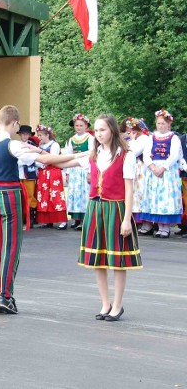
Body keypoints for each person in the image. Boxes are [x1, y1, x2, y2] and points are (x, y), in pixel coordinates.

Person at [0, 105, 82, 314]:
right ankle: (5, 296)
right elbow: (45, 160)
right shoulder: (13, 145)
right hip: (9, 195)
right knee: (10, 248)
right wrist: (82, 157)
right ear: (15, 123)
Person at [57, 114, 142, 321]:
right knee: (99, 259)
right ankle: (105, 303)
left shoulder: (126, 155)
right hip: (96, 208)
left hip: (116, 209)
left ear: (112, 130)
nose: (99, 134)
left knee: (117, 260)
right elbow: (62, 163)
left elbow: (129, 191)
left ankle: (118, 305)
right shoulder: (93, 155)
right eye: (96, 130)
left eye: (102, 129)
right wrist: (37, 153)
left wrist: (126, 219)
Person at [138, 109, 183, 238]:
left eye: (163, 123)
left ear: (169, 124)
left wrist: (163, 167)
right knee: (155, 198)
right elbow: (146, 154)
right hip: (153, 171)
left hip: (167, 172)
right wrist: (152, 166)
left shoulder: (173, 138)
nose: (160, 126)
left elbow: (174, 155)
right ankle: (158, 226)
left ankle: (166, 228)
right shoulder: (152, 137)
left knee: (166, 198)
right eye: (158, 123)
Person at [63, 113, 95, 230]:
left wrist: (90, 172)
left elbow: (93, 156)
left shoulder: (91, 139)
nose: (79, 127)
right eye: (77, 125)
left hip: (85, 169)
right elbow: (68, 156)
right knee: (75, 193)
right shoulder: (71, 140)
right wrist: (67, 172)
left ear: (86, 126)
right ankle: (76, 219)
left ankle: (85, 219)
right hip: (75, 170)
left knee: (84, 193)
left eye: (81, 125)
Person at [35, 124, 68, 229]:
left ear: (47, 135)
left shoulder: (54, 145)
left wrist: (42, 162)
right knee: (44, 196)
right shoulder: (40, 147)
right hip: (43, 173)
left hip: (53, 172)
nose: (39, 138)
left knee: (56, 195)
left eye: (41, 135)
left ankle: (62, 220)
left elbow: (52, 158)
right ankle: (47, 220)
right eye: (38, 135)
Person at [125, 118, 151, 231]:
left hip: (141, 169)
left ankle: (146, 223)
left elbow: (133, 151)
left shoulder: (144, 138)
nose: (130, 132)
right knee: (134, 194)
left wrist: (132, 140)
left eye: (132, 130)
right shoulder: (137, 139)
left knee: (141, 194)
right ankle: (136, 222)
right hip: (134, 168)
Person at [17, 124, 39, 226]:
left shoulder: (32, 145)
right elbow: (16, 160)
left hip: (29, 174)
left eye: (27, 134)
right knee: (20, 196)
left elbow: (33, 158)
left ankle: (31, 217)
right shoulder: (16, 145)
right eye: (23, 134)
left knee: (30, 195)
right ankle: (22, 217)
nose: (25, 136)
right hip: (19, 174)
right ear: (20, 135)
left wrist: (24, 160)